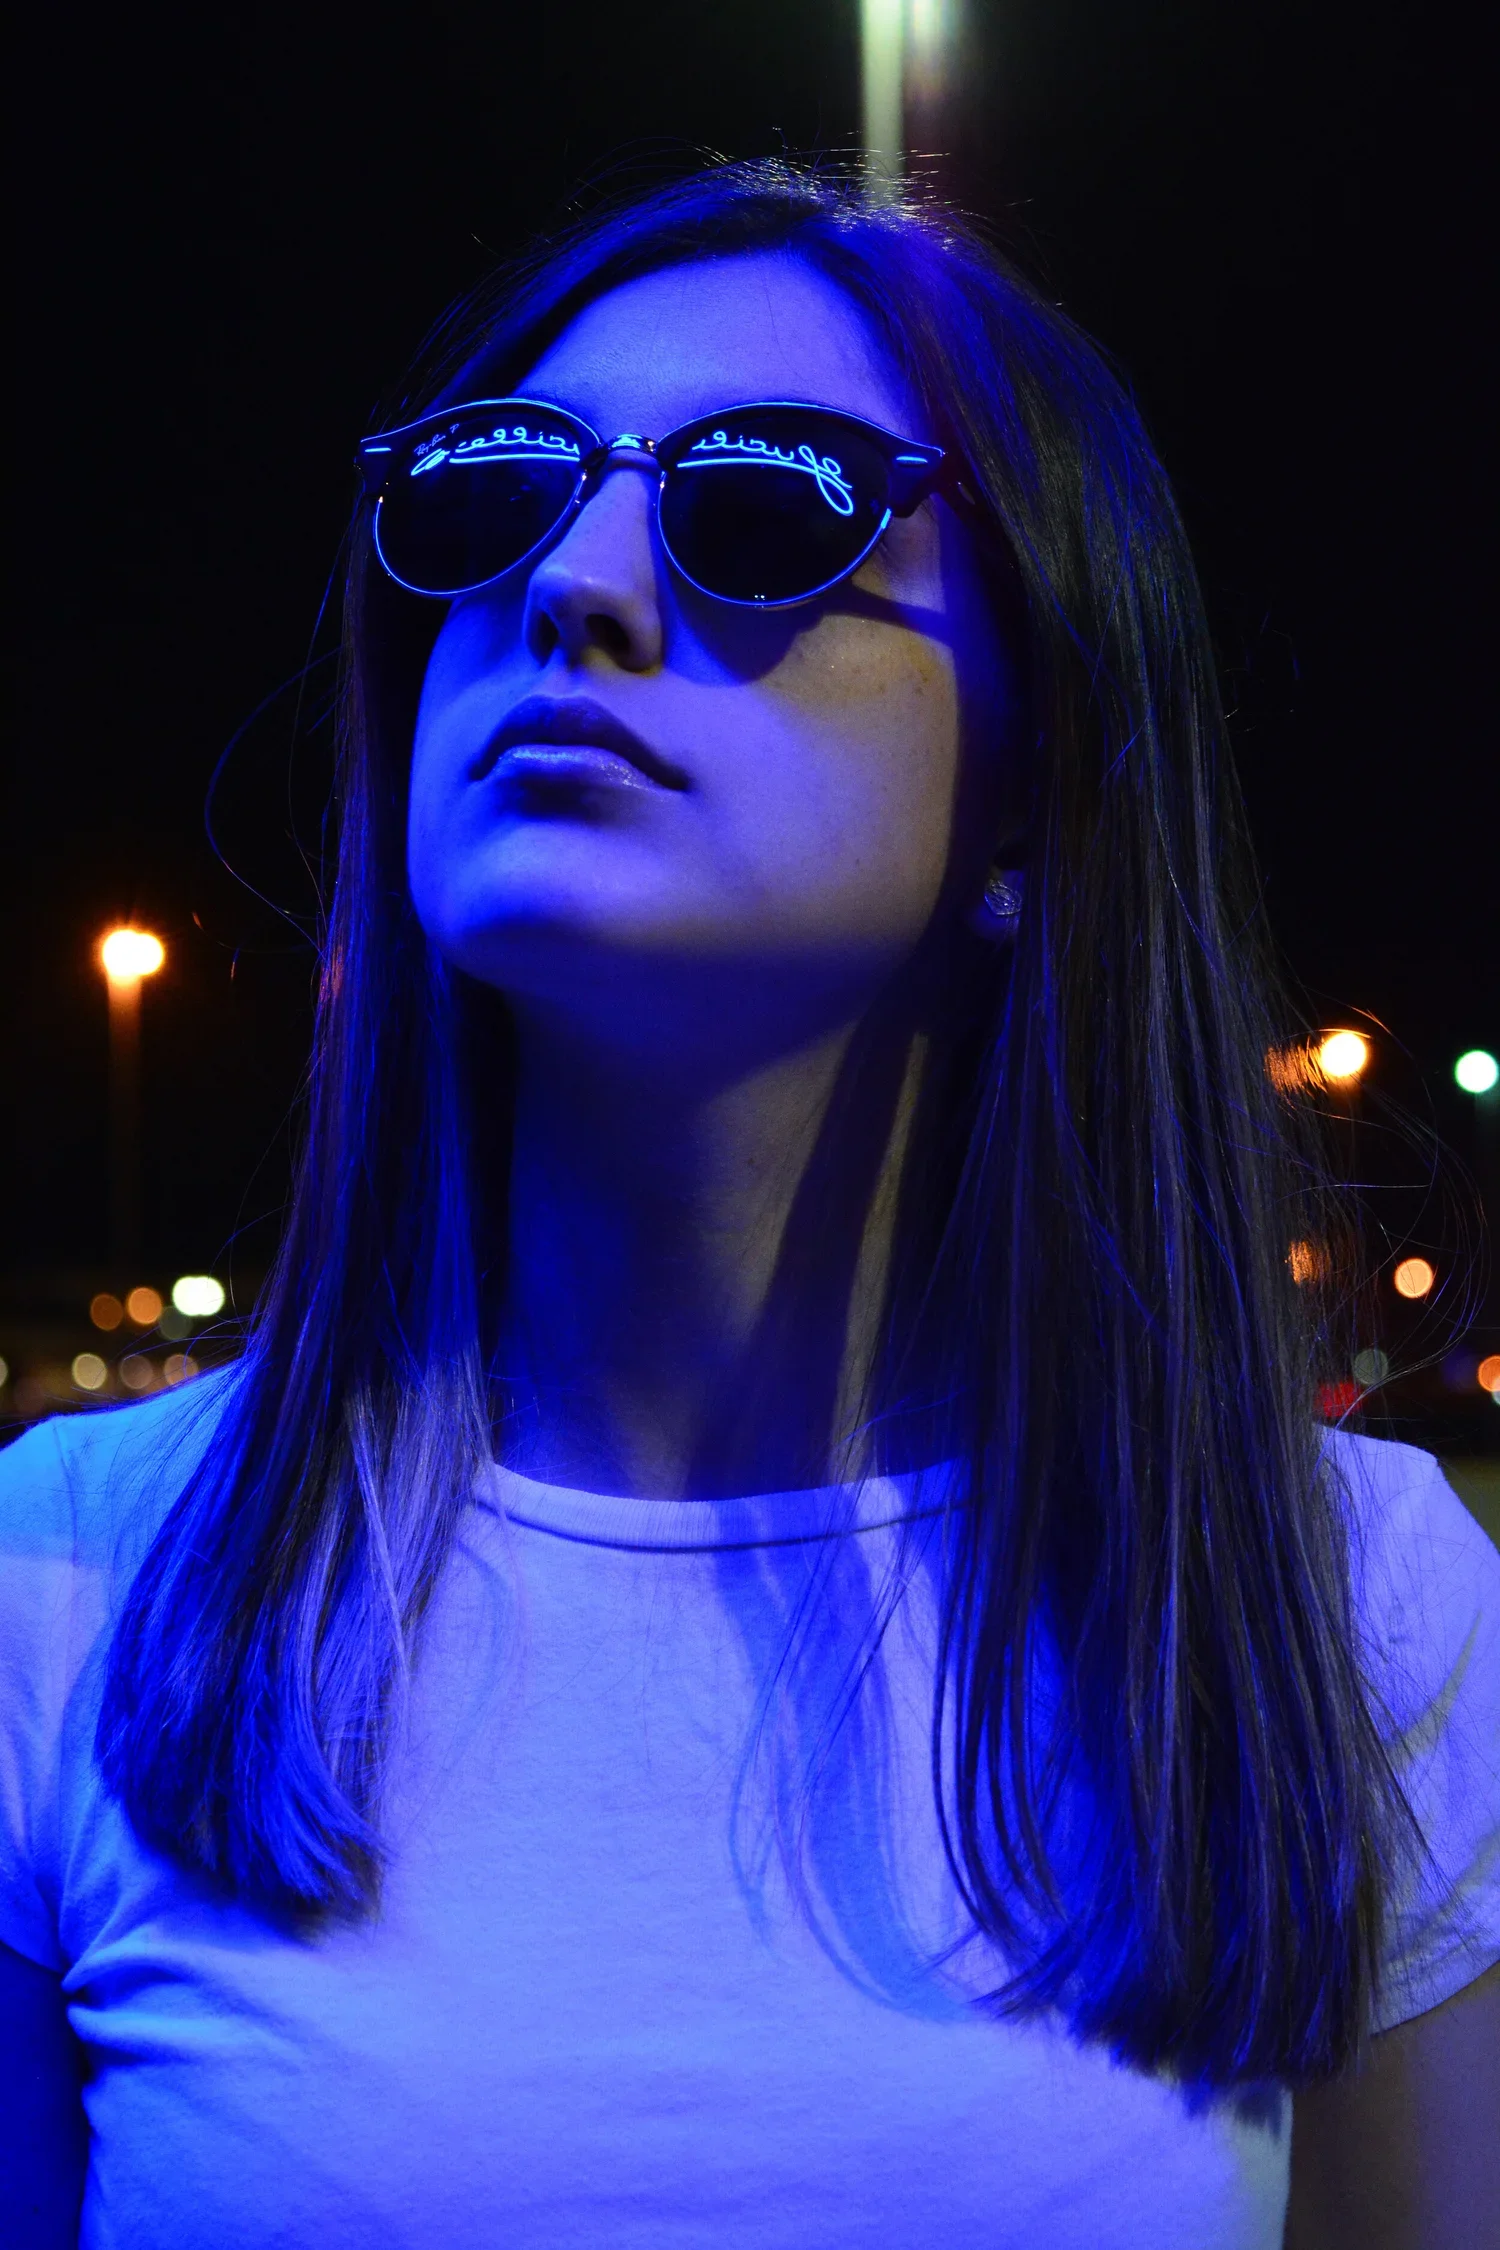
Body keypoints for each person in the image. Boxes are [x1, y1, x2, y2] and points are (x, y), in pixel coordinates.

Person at [2, 162, 1496, 2250]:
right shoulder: (69, 1587)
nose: (572, 586)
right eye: (491, 486)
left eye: (771, 497)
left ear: (1041, 793)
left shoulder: (1344, 1608)